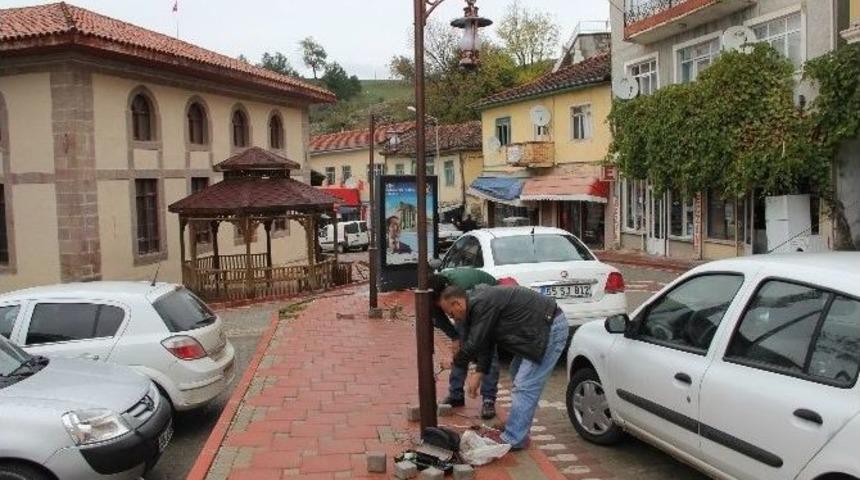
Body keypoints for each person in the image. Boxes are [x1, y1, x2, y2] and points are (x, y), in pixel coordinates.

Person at [439, 285, 568, 450]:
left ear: (457, 304)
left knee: (525, 386)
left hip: (548, 329)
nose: (453, 319)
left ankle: (514, 438)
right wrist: (479, 372)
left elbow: (475, 343)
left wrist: (454, 361)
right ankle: (517, 425)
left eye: (451, 314)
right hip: (536, 329)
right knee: (517, 374)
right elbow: (486, 341)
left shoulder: (481, 304)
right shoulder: (476, 306)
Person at [430, 270, 500, 420]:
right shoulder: (433, 294)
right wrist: (455, 337)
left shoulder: (461, 292)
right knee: (461, 347)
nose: (440, 307)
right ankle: (456, 395)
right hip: (465, 303)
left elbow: (479, 340)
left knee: (488, 350)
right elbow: (438, 318)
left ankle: (488, 399)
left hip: (485, 295)